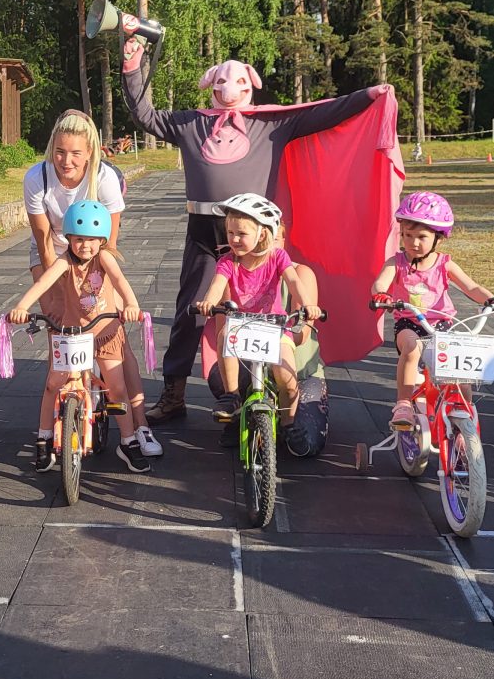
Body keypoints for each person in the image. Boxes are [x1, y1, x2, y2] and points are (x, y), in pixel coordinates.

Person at [120, 42, 391, 425]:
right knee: (192, 311)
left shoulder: (271, 123)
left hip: (257, 235)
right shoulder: (191, 123)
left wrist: (368, 95)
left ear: (251, 85)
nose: (229, 89)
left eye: (238, 82)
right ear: (210, 84)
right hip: (204, 230)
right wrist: (132, 65)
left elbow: (321, 112)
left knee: (264, 305)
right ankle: (174, 393)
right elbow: (144, 114)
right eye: (221, 82)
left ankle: (265, 391)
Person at [23, 109, 159, 457]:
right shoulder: (37, 177)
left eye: (75, 153)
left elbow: (109, 244)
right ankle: (56, 419)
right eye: (59, 151)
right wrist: (57, 297)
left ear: (90, 152)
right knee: (60, 327)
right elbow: (43, 241)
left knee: (113, 330)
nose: (66, 161)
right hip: (56, 252)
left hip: (97, 252)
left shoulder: (105, 178)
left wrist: (119, 300)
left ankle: (139, 425)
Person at [8, 199, 151, 474]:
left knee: (117, 388)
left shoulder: (104, 258)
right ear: (69, 239)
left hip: (106, 332)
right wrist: (22, 306)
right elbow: (44, 282)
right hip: (73, 335)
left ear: (102, 241)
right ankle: (44, 437)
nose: (85, 246)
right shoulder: (64, 261)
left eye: (92, 240)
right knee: (54, 384)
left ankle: (128, 440)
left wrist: (131, 304)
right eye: (79, 239)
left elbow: (119, 280)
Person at [369, 192, 494, 430]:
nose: (413, 242)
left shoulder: (445, 263)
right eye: (407, 235)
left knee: (459, 367)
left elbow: (471, 287)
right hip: (410, 323)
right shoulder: (397, 262)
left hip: (442, 325)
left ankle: (463, 413)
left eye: (421, 237)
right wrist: (381, 294)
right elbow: (380, 282)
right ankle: (403, 404)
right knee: (412, 346)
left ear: (439, 238)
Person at [192, 193, 318, 427]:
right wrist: (208, 302)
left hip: (274, 326)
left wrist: (308, 304)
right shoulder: (228, 262)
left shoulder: (277, 257)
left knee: (288, 382)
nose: (234, 239)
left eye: (241, 233)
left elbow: (293, 281)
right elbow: (217, 285)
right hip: (242, 324)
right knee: (225, 335)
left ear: (261, 234)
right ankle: (231, 396)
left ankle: (288, 423)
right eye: (230, 232)